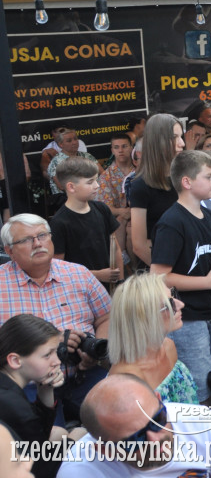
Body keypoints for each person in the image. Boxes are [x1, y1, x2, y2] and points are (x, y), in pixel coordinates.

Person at [106, 274, 211, 478]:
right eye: (169, 303)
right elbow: (146, 452)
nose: (181, 304)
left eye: (174, 296)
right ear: (145, 317)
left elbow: (190, 411)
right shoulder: (125, 383)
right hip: (159, 461)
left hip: (190, 439)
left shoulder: (168, 347)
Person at [0, 214, 111, 428]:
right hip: (28, 385)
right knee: (46, 445)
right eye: (26, 240)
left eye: (42, 235)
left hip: (84, 373)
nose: (37, 243)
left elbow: (106, 316)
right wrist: (51, 344)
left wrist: (93, 351)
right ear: (9, 251)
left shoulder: (78, 274)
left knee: (124, 417)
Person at [150, 150, 211, 404]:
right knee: (199, 384)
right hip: (187, 317)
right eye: (208, 177)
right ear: (187, 182)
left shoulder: (210, 215)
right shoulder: (172, 222)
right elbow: (158, 276)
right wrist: (207, 283)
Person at [58, 373, 211, 478]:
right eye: (136, 439)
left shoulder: (200, 423)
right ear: (105, 450)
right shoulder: (80, 472)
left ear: (159, 400)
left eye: (158, 419)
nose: (156, 440)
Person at [0, 314, 70, 478]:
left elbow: (38, 436)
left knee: (60, 433)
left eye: (56, 352)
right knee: (76, 435)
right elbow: (40, 463)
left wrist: (45, 389)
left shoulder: (7, 387)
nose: (57, 361)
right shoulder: (14, 405)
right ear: (16, 361)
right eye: (47, 355)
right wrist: (74, 443)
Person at [50, 156, 122, 287]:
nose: (97, 185)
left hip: (110, 287)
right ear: (71, 187)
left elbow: (115, 248)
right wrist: (98, 275)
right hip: (79, 291)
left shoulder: (102, 209)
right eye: (90, 182)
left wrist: (122, 283)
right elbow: (58, 268)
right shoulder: (59, 222)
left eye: (96, 180)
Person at [129, 114, 185, 266]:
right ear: (158, 140)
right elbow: (139, 245)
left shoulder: (184, 177)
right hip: (159, 273)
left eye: (181, 136)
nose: (182, 143)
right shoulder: (140, 185)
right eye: (175, 137)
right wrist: (168, 272)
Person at [98, 133, 133, 259]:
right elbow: (105, 207)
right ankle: (123, 260)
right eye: (117, 147)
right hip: (118, 218)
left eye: (124, 146)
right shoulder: (106, 176)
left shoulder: (141, 170)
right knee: (121, 222)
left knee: (130, 231)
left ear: (131, 147)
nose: (121, 150)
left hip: (142, 213)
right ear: (112, 150)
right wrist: (123, 212)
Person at [46, 128, 98, 197]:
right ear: (61, 144)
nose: (74, 142)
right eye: (69, 141)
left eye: (75, 139)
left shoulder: (86, 156)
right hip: (66, 198)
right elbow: (61, 186)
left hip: (89, 193)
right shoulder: (56, 161)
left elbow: (102, 173)